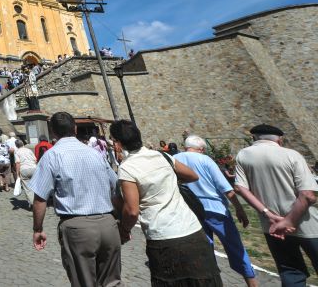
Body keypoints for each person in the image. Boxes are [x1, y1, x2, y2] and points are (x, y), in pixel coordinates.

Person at [111, 119, 222, 287]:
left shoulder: (127, 168)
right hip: (193, 231)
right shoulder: (162, 156)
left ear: (118, 143)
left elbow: (132, 210)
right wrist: (168, 182)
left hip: (163, 237)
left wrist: (124, 230)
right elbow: (192, 175)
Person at [27, 112, 122, 287]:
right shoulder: (96, 154)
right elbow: (116, 188)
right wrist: (121, 222)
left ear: (52, 132)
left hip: (77, 228)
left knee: (84, 282)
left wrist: (38, 228)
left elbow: (40, 198)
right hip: (108, 224)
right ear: (75, 128)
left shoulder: (52, 156)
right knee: (112, 283)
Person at [234, 124, 318, 285]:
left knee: (291, 272)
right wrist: (289, 221)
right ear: (279, 140)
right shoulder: (291, 155)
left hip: (271, 225)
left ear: (254, 138)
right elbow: (308, 195)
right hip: (307, 225)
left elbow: (240, 188)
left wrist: (268, 213)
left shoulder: (243, 155)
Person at [174, 135, 257, 286]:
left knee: (205, 248)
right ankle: (251, 281)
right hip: (215, 209)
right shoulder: (205, 160)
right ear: (202, 149)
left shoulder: (174, 159)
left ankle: (212, 280)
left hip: (191, 210)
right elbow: (226, 188)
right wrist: (239, 209)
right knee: (234, 246)